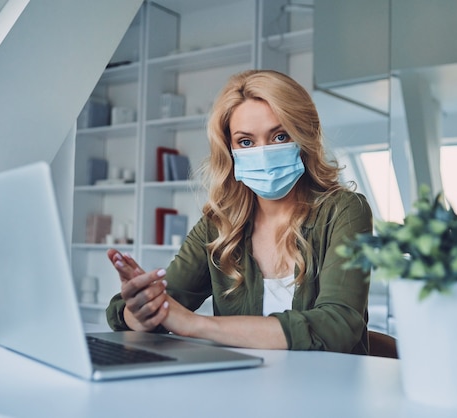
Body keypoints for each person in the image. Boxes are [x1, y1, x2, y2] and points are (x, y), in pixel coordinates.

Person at [105, 69, 373, 354]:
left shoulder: (345, 211)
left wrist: (197, 325)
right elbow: (150, 309)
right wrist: (142, 307)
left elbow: (338, 327)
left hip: (327, 392)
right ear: (229, 149)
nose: (264, 152)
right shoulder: (219, 225)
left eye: (280, 136)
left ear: (303, 136)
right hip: (240, 390)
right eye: (246, 142)